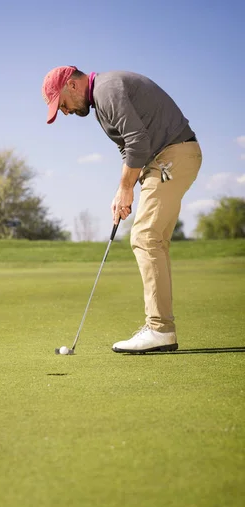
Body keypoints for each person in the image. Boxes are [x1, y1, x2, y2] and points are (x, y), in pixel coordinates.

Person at [41, 66, 202, 354]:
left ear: (72, 86)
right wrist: (123, 190)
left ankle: (159, 329)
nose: (64, 111)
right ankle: (161, 327)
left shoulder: (106, 90)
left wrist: (126, 187)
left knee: (144, 237)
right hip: (166, 158)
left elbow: (137, 140)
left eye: (61, 104)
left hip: (172, 154)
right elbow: (128, 148)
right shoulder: (102, 101)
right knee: (154, 240)